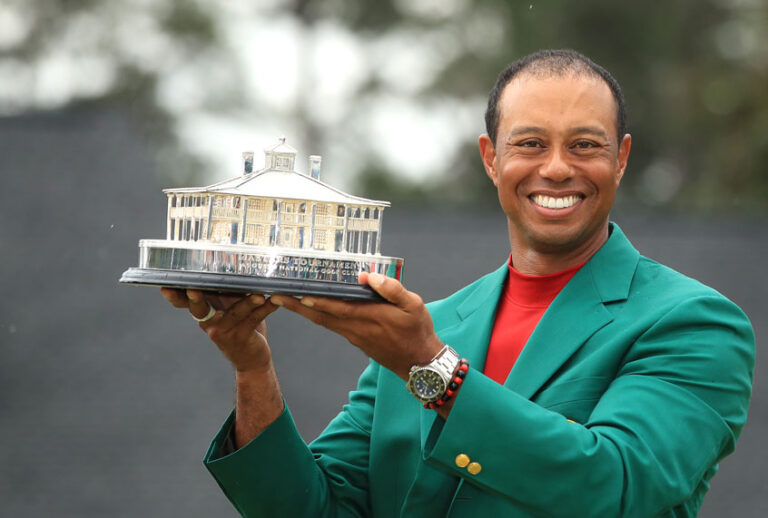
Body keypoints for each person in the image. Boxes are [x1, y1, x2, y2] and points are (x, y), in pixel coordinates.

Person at [161, 49, 755, 517]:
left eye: (585, 144)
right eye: (529, 143)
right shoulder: (428, 327)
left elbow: (617, 486)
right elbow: (310, 510)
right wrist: (251, 367)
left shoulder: (694, 323)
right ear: (491, 157)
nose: (555, 167)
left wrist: (432, 368)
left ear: (621, 159)